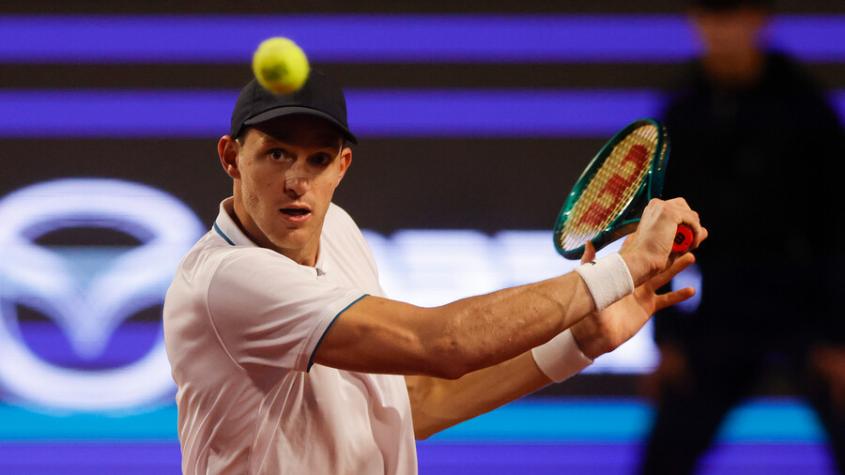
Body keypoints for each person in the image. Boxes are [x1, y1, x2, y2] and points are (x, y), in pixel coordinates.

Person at [162, 69, 707, 474]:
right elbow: (442, 344)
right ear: (232, 157)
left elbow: (409, 405)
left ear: (342, 166)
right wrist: (625, 266)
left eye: (318, 159)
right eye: (276, 155)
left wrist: (576, 342)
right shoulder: (226, 281)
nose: (297, 182)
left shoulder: (337, 232)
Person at [638, 0, 845, 473]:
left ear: (760, 20)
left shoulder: (806, 110)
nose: (723, 30)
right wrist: (667, 340)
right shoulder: (683, 112)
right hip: (723, 312)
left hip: (807, 309)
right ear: (695, 22)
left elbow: (838, 228)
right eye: (712, 17)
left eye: (735, 16)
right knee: (663, 457)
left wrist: (839, 337)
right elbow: (659, 230)